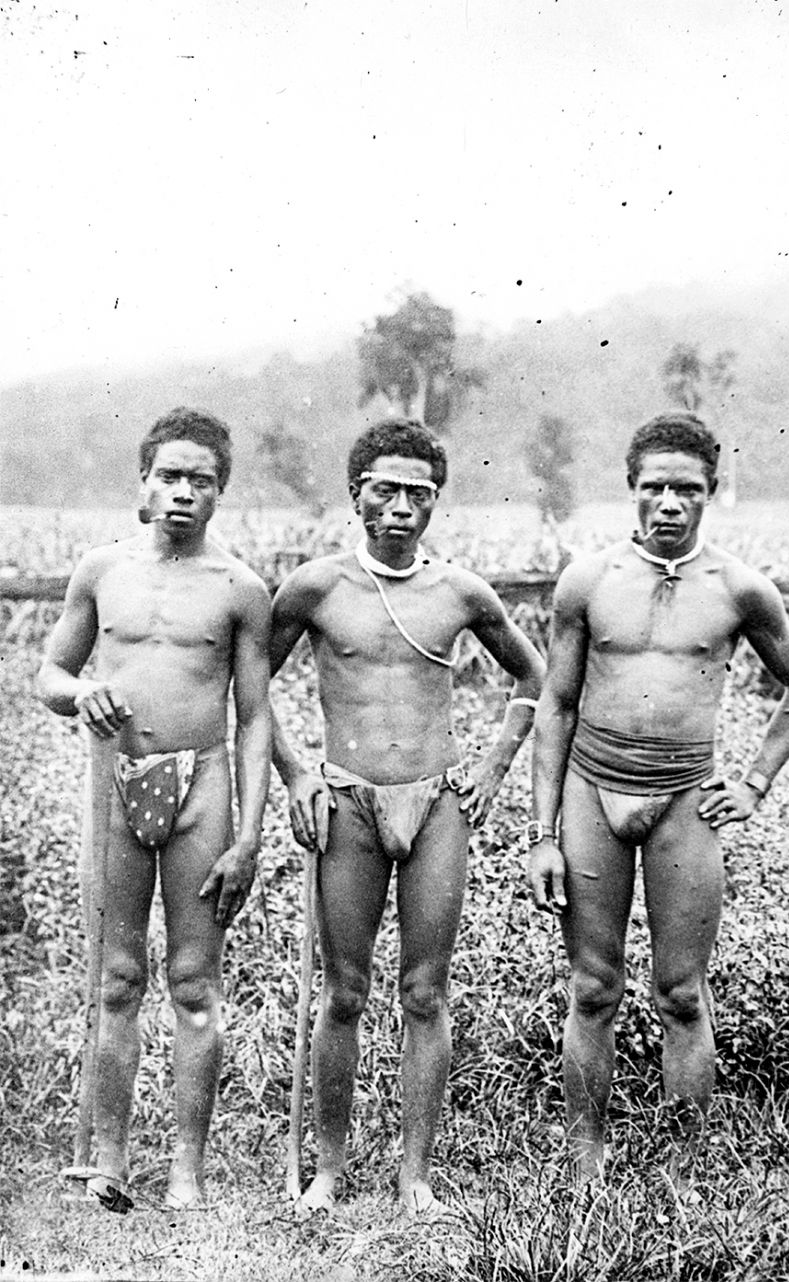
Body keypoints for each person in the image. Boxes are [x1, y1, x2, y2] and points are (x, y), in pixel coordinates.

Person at [527, 412, 789, 1183]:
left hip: (685, 802)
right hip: (594, 793)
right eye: (653, 487)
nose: (668, 503)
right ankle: (584, 1166)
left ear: (709, 496)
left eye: (685, 490)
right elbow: (556, 703)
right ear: (631, 489)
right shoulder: (587, 580)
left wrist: (754, 781)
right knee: (593, 988)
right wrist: (542, 832)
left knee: (682, 993)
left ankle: (680, 1175)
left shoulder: (740, 588)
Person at [270, 417, 545, 1215]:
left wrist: (494, 769)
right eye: (383, 491)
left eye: (417, 495)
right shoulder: (316, 587)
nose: (399, 509)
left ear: (436, 503)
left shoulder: (461, 593)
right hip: (347, 798)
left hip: (437, 804)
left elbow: (534, 676)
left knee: (426, 991)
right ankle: (328, 1169)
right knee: (345, 991)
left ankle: (414, 1177)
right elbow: (247, 686)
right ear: (356, 495)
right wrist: (295, 776)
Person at [37, 407, 271, 1209]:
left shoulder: (240, 588)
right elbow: (50, 674)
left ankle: (186, 1172)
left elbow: (255, 717)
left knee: (194, 982)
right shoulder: (102, 570)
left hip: (202, 784)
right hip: (117, 782)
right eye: (168, 476)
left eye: (199, 481)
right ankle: (107, 1161)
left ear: (219, 493)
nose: (181, 492)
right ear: (144, 482)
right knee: (117, 978)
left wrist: (248, 835)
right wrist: (82, 692)